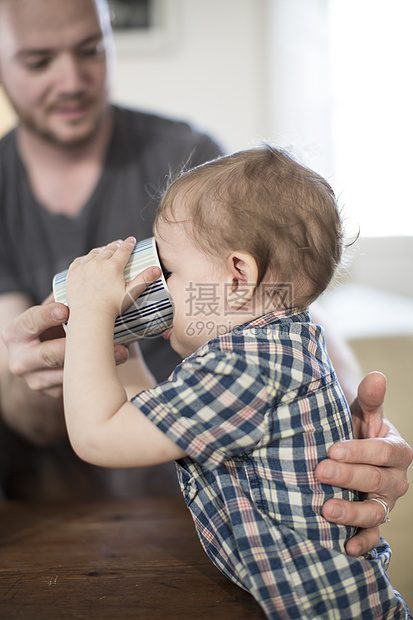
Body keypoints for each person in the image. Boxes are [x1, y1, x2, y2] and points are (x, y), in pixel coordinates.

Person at [0, 0, 411, 559]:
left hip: (213, 514)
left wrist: (358, 447)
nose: (71, 79)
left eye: (91, 49)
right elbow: (42, 398)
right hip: (48, 508)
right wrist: (97, 343)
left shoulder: (188, 164)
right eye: (39, 60)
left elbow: (283, 301)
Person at [61, 145, 411, 618]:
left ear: (238, 276)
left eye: (169, 272)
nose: (161, 288)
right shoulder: (284, 344)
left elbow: (100, 436)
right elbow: (146, 418)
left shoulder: (248, 369)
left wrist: (89, 313)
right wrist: (126, 327)